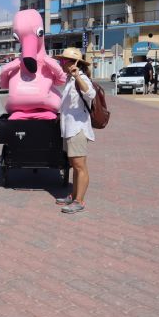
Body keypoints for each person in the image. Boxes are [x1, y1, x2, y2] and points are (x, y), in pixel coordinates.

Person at [54, 48, 96, 214]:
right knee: (74, 164)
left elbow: (90, 94)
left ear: (74, 63)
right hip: (69, 128)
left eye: (63, 61)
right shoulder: (70, 80)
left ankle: (79, 201)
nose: (61, 63)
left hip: (78, 128)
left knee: (80, 166)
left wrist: (78, 75)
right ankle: (73, 195)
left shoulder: (81, 78)